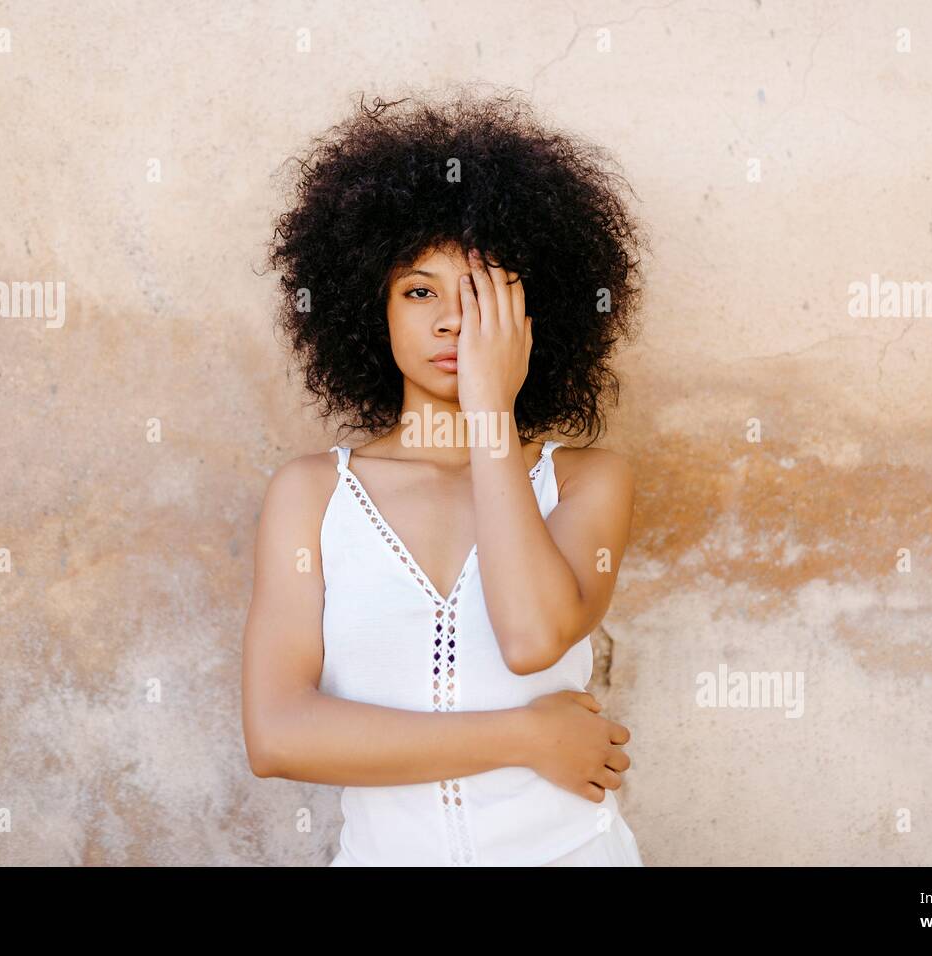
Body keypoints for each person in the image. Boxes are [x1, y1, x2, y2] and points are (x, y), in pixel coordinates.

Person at [243, 87, 646, 866]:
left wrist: (491, 410)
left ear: (537, 313)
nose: (452, 320)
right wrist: (526, 736)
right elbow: (278, 735)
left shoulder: (588, 482)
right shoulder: (310, 496)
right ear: (374, 310)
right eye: (419, 290)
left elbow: (530, 639)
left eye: (482, 292)